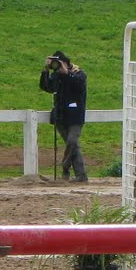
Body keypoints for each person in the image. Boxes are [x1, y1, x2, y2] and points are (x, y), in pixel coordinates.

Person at [39, 50, 88, 181]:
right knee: (73, 146)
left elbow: (79, 85)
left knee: (72, 142)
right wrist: (45, 70)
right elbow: (47, 87)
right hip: (60, 116)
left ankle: (65, 166)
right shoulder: (56, 76)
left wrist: (67, 73)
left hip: (75, 116)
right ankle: (81, 176)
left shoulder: (79, 74)